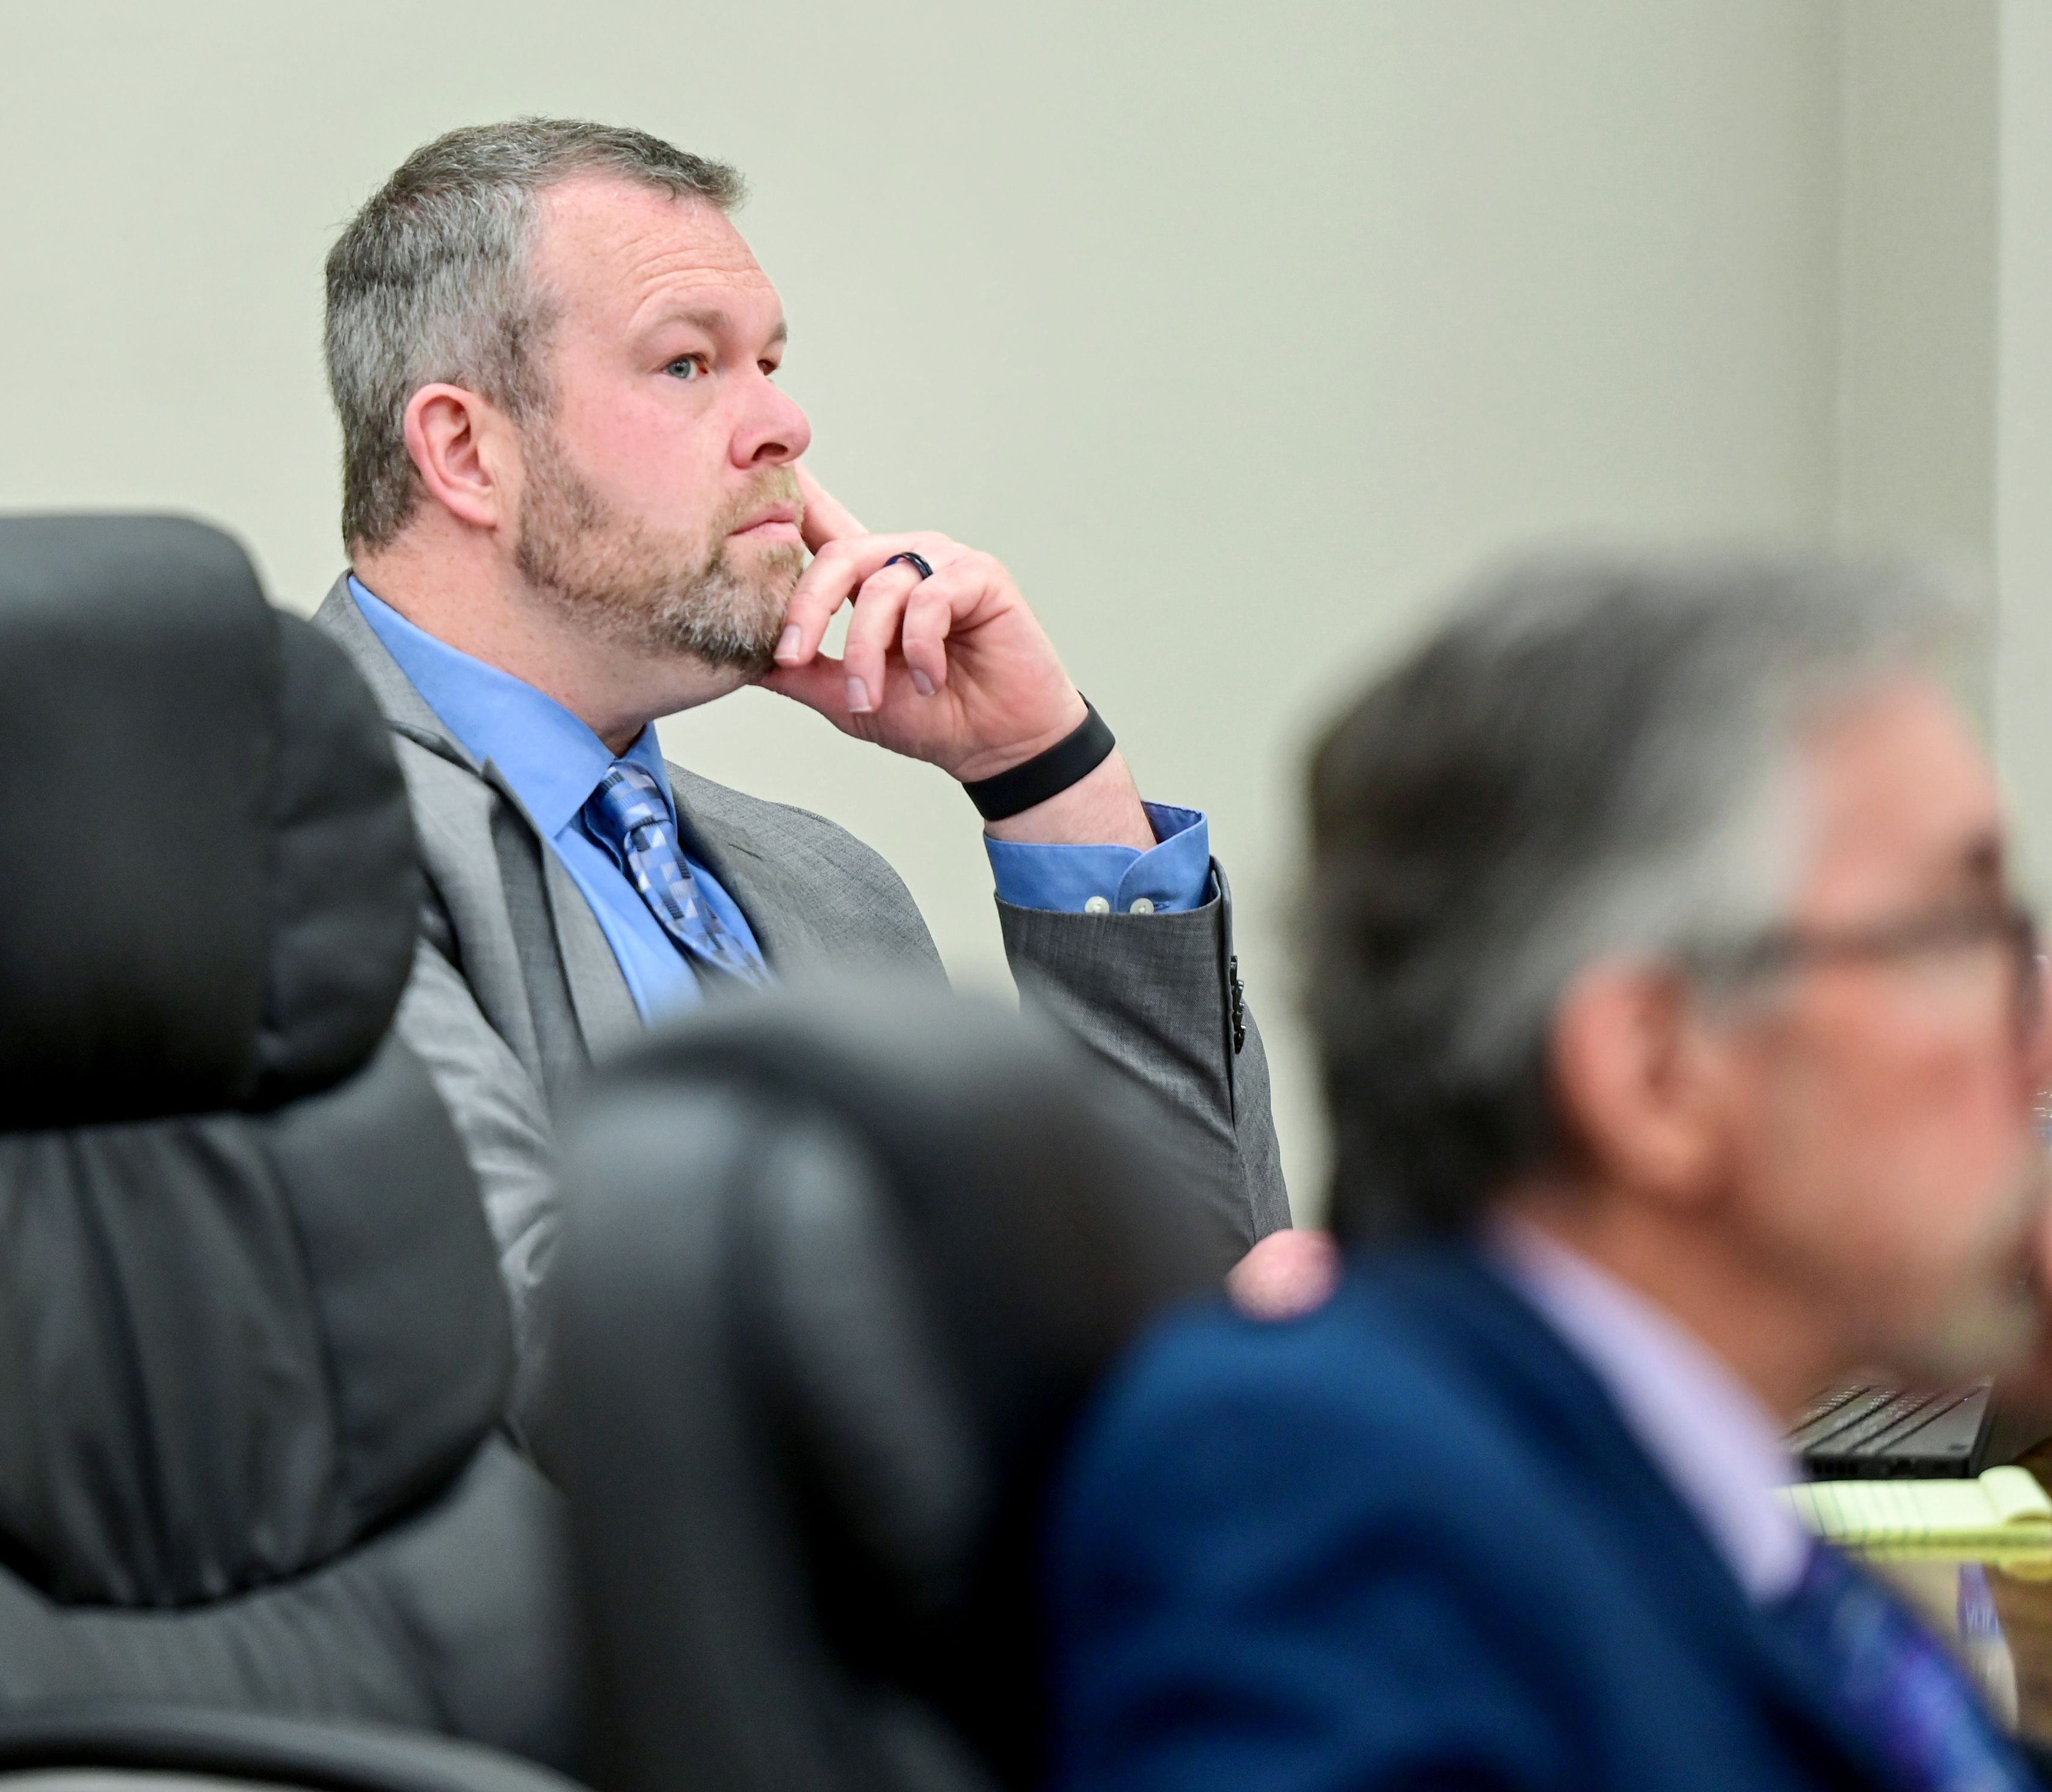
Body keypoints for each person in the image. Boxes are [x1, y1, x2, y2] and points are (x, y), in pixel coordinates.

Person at [310, 118, 1295, 1434]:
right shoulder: (282, 824)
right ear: (467, 453)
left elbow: (1204, 1296)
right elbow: (539, 1354)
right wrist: (1035, 1319)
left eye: (769, 363)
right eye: (688, 364)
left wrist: (1042, 776)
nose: (782, 422)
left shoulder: (825, 887)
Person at [1051, 553, 2052, 1790]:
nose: (2036, 1040)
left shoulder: (1744, 1554)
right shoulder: (1322, 1484)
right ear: (1655, 1074)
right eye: (1960, 938)